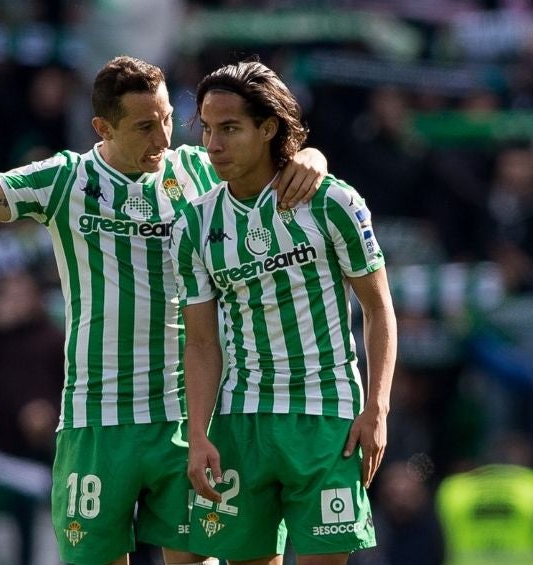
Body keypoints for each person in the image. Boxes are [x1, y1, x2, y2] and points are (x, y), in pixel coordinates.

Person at [0, 55, 327, 565]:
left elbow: (272, 168)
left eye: (167, 118)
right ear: (103, 127)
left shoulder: (196, 172)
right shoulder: (65, 182)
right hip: (95, 418)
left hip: (184, 419)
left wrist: (310, 158)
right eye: (145, 126)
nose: (163, 138)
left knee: (198, 558)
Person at [170, 60, 396, 564]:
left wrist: (376, 409)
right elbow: (202, 342)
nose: (213, 145)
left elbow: (379, 308)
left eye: (229, 129)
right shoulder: (194, 225)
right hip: (240, 421)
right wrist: (200, 433)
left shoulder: (332, 202)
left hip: (326, 421)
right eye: (207, 129)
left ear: (268, 128)